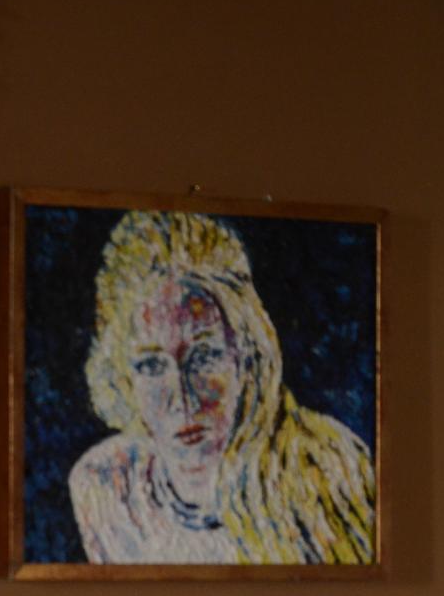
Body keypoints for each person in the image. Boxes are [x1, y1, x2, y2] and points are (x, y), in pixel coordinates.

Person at [68, 210, 375, 564]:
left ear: (246, 356)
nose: (182, 400)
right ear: (122, 375)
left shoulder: (329, 473)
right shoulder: (107, 489)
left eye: (204, 357)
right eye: (151, 366)